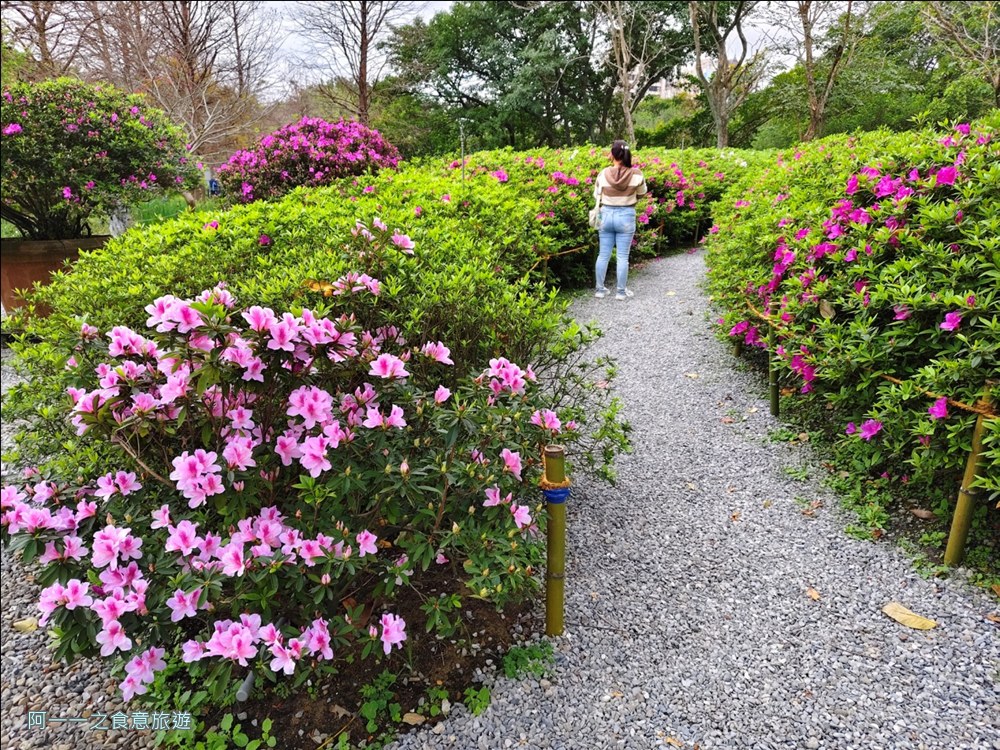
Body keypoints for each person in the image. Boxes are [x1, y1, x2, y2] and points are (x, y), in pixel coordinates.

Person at [593, 140, 647, 300]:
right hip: (626, 215)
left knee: (603, 254)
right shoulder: (637, 174)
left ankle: (600, 290)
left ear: (613, 154)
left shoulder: (603, 173)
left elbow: (596, 195)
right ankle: (621, 292)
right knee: (623, 256)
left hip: (606, 215)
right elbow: (642, 192)